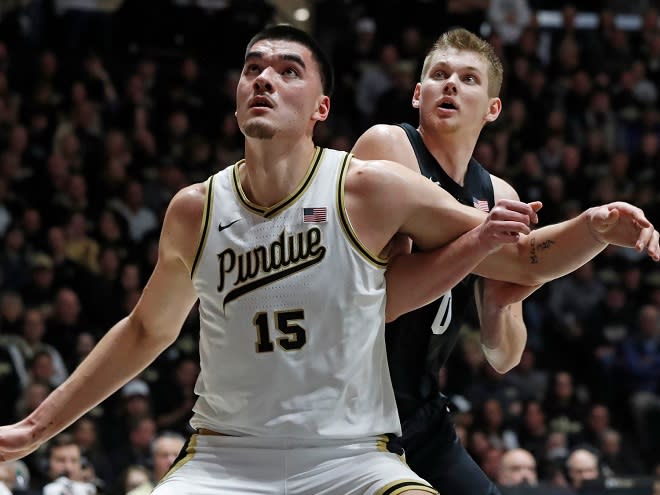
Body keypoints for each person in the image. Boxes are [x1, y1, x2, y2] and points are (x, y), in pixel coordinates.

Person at [0, 24, 656, 495]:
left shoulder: (369, 186)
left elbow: (522, 269)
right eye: (253, 67)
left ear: (321, 108)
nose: (264, 78)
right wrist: (34, 426)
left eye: (288, 70)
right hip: (227, 455)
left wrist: (594, 225)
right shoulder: (195, 209)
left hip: (355, 450)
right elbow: (145, 329)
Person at [351, 27, 659, 494]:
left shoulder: (498, 195)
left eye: (469, 79)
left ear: (493, 109)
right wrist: (562, 240)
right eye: (439, 74)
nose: (450, 84)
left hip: (420, 412)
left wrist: (501, 300)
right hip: (351, 408)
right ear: (418, 94)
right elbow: (384, 300)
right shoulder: (389, 146)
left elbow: (504, 355)